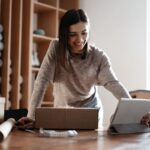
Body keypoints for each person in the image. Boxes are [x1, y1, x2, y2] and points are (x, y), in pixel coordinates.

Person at [17, 9, 149, 129]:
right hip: (63, 113)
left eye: (84, 33)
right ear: (64, 34)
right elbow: (42, 81)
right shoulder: (56, 49)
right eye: (73, 34)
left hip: (90, 114)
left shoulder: (98, 56)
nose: (80, 40)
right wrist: (31, 116)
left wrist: (137, 112)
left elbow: (113, 84)